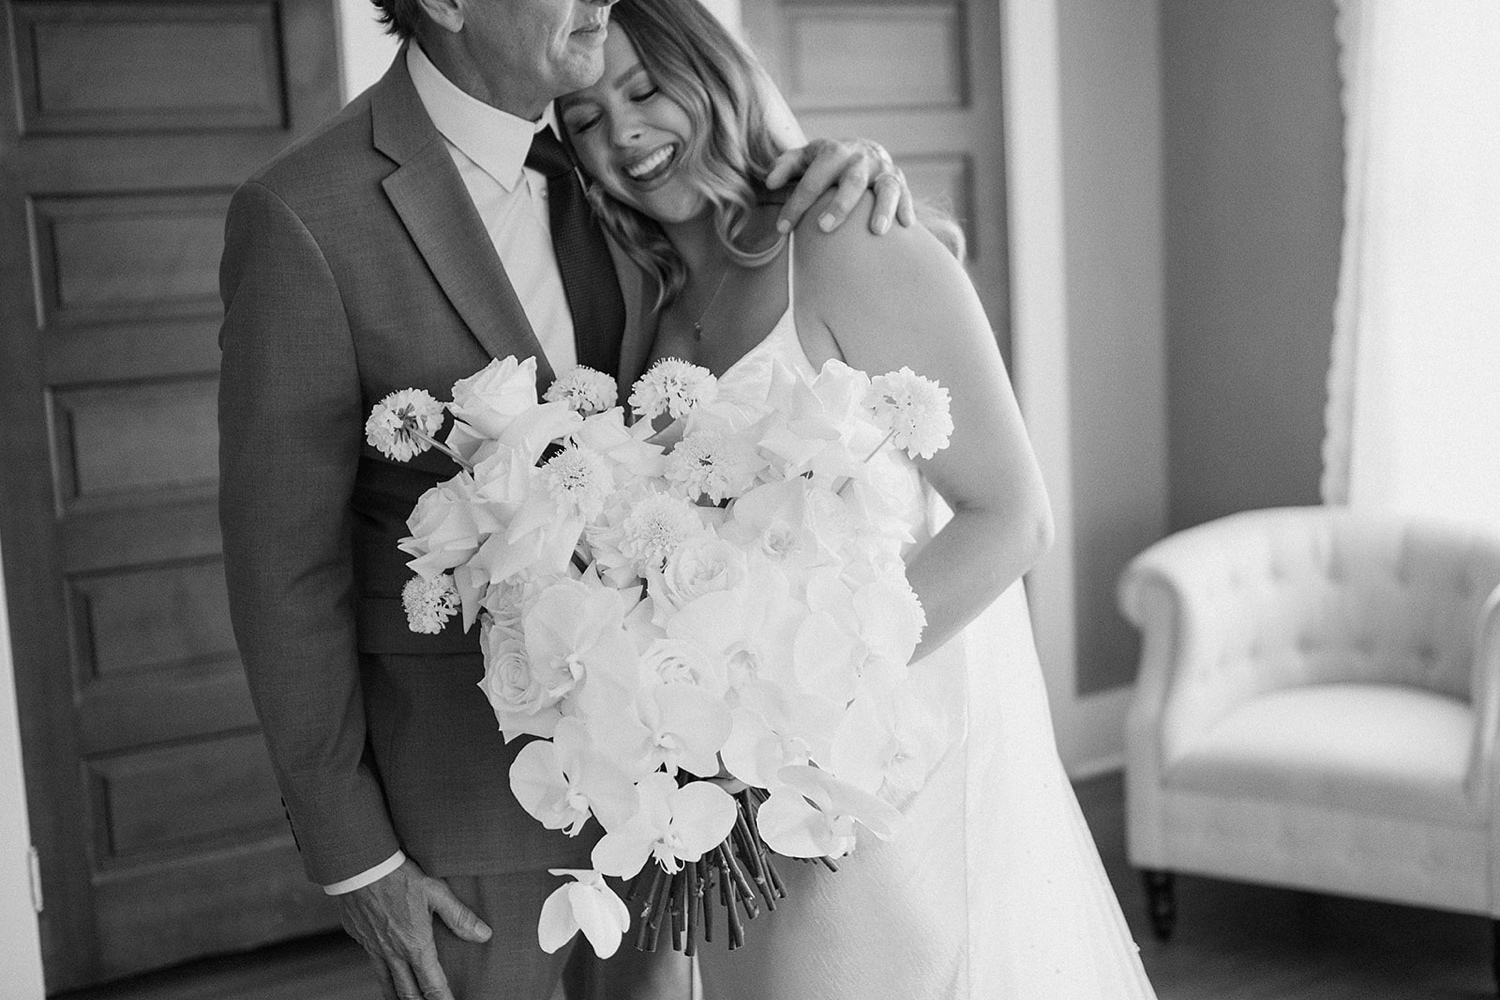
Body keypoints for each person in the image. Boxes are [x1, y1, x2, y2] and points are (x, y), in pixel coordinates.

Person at [215, 0, 916, 996]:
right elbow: (281, 567)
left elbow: (754, 249)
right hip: (461, 811)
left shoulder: (614, 168)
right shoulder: (305, 213)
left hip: (667, 796)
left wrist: (840, 169)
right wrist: (349, 851)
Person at [556, 1, 1160, 997]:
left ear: (711, 72)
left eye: (643, 87)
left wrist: (796, 706)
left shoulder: (849, 238)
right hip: (746, 783)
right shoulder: (653, 301)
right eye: (584, 118)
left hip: (883, 754)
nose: (619, 132)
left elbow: (1013, 516)